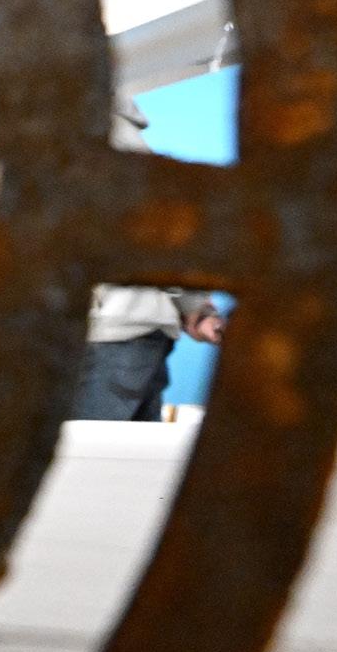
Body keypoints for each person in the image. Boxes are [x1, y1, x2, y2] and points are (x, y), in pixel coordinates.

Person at [73, 96, 226, 421]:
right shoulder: (122, 139)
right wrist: (195, 307)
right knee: (131, 450)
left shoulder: (92, 137)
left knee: (88, 449)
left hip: (113, 334)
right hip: (136, 335)